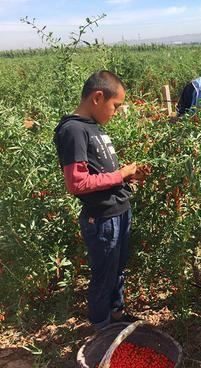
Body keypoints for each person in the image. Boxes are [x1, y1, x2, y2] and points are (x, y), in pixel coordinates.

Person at [53, 70, 139, 330]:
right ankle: (102, 329)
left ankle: (116, 317)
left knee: (117, 269)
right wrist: (120, 174)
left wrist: (126, 180)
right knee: (104, 276)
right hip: (102, 218)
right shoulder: (73, 130)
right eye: (116, 106)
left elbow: (99, 174)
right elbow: (77, 182)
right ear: (98, 98)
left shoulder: (93, 128)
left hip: (118, 211)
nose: (116, 112)